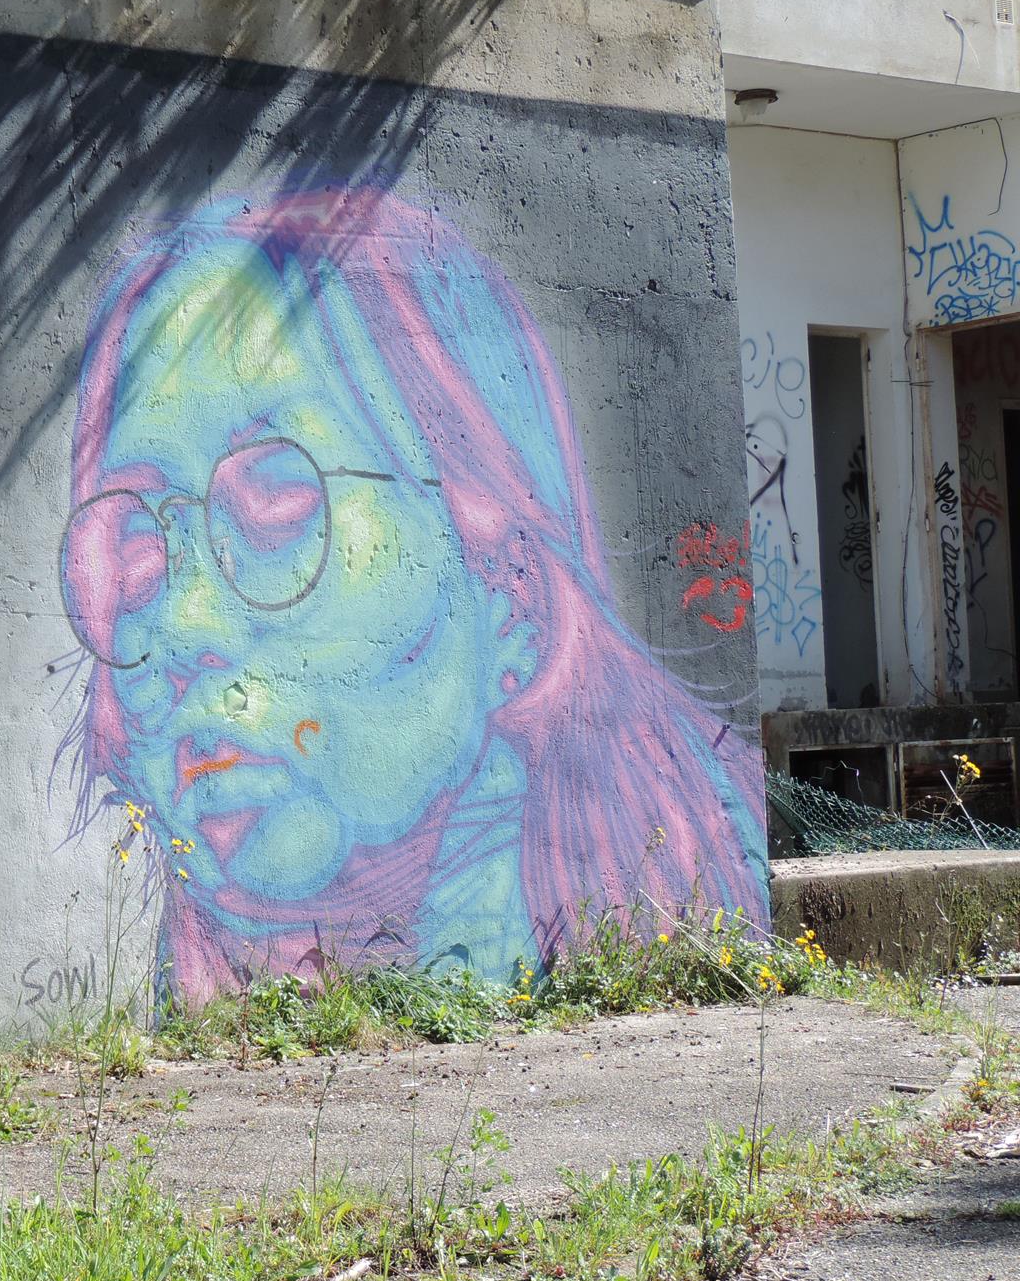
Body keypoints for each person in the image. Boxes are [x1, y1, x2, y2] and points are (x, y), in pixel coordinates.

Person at [59, 187, 765, 1001]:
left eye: (277, 505)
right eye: (137, 554)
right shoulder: (191, 990)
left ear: (509, 591)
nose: (182, 625)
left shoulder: (685, 905)